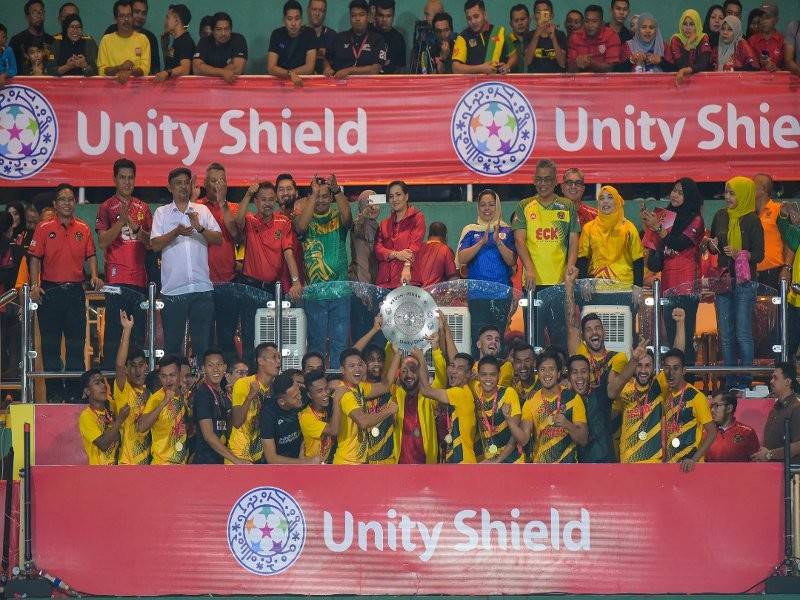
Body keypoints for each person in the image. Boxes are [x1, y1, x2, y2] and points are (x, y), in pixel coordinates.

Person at [29, 183, 102, 404]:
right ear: (55, 204)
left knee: (76, 346)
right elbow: (34, 257)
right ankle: (54, 394)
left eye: (71, 199)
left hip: (75, 293)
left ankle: (73, 394)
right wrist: (34, 284)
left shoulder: (83, 228)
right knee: (50, 347)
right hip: (50, 291)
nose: (67, 203)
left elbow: (91, 255)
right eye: (62, 199)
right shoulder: (43, 228)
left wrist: (95, 275)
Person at [150, 168, 221, 361]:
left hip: (202, 288)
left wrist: (199, 227)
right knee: (172, 348)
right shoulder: (162, 213)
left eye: (186, 182)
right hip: (173, 291)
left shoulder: (201, 210)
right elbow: (154, 244)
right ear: (169, 187)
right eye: (178, 183)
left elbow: (218, 238)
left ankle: (201, 389)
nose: (183, 186)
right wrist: (176, 232)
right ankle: (174, 390)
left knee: (203, 348)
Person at [513, 159, 579, 348]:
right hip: (533, 284)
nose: (543, 184)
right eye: (540, 179)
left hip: (559, 283)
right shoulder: (524, 205)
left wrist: (570, 267)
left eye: (548, 180)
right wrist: (530, 270)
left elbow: (573, 240)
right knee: (533, 338)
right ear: (534, 180)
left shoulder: (567, 206)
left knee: (560, 336)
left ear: (556, 181)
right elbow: (519, 241)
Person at [235, 183, 302, 363]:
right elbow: (237, 221)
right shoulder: (250, 221)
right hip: (250, 287)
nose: (267, 203)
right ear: (256, 201)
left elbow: (288, 252)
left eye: (271, 199)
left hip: (273, 289)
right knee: (249, 336)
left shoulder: (283, 222)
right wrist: (248, 194)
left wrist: (296, 281)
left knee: (271, 337)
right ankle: (251, 376)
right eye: (263, 199)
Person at [641, 178, 705, 365]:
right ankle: (674, 382)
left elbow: (679, 243)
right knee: (670, 337)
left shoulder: (696, 220)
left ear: (690, 196)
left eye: (680, 192)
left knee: (684, 335)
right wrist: (649, 228)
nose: (674, 195)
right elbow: (654, 265)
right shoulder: (665, 216)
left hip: (687, 287)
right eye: (673, 191)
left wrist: (658, 228)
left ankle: (689, 380)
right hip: (668, 287)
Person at [708, 176, 764, 390]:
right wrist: (713, 246)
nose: (728, 197)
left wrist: (741, 254)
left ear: (744, 195)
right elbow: (714, 245)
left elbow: (759, 254)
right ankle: (730, 382)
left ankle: (746, 382)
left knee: (742, 333)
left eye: (733, 193)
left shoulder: (752, 220)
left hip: (744, 283)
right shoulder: (720, 216)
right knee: (726, 335)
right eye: (726, 192)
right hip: (723, 280)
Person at [96, 158, 152, 370]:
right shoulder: (106, 207)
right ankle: (111, 382)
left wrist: (137, 229)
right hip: (114, 282)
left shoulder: (143, 208)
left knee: (137, 337)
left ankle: (137, 385)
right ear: (114, 179)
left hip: (139, 280)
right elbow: (102, 242)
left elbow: (150, 244)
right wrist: (121, 221)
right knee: (113, 334)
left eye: (130, 178)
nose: (127, 182)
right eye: (122, 178)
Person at [296, 175, 351, 369]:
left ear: (331, 198)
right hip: (315, 294)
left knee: (340, 344)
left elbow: (348, 218)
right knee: (316, 343)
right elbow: (300, 228)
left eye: (325, 196)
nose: (321, 200)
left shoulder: (337, 216)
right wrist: (313, 194)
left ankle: (337, 382)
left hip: (340, 292)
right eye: (318, 196)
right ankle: (315, 380)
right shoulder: (304, 219)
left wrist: (336, 191)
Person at [457, 189, 516, 349]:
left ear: (497, 206)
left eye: (491, 204)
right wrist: (481, 242)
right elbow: (461, 258)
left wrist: (497, 241)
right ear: (478, 208)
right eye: (483, 205)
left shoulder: (507, 230)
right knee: (478, 338)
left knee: (499, 338)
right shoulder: (470, 230)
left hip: (501, 295)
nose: (487, 208)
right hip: (477, 295)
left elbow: (511, 260)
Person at [195, 164, 240, 365]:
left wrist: (222, 203)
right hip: (201, 283)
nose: (217, 184)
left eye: (221, 180)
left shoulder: (234, 208)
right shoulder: (196, 207)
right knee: (202, 338)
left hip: (227, 282)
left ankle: (229, 385)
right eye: (213, 180)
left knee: (226, 337)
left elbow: (236, 234)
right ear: (205, 184)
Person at [333, 347, 400, 465]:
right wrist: (388, 411)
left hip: (358, 463)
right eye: (351, 366)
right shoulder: (345, 394)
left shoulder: (359, 387)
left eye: (359, 365)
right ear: (342, 370)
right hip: (346, 464)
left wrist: (398, 354)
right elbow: (363, 421)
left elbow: (386, 386)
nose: (357, 369)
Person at [565, 268, 629, 392]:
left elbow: (611, 390)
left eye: (597, 328)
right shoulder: (580, 353)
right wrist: (569, 285)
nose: (594, 332)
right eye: (588, 330)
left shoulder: (618, 357)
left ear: (604, 332)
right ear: (583, 336)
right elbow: (572, 325)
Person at [577, 186, 644, 297]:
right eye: (602, 198)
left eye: (610, 197)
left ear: (617, 201)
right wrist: (584, 282)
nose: (605, 202)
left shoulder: (629, 228)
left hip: (625, 287)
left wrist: (638, 286)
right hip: (596, 287)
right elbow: (582, 258)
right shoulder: (588, 228)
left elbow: (638, 259)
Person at [521, 351, 588, 463]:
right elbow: (524, 439)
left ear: (558, 373)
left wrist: (567, 424)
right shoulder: (530, 401)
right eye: (542, 369)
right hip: (540, 468)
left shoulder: (573, 398)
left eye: (551, 369)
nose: (547, 374)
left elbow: (583, 439)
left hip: (568, 469)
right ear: (538, 374)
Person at [414, 348, 477, 464]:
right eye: (452, 366)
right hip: (457, 463)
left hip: (464, 464)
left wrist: (420, 359)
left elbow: (426, 391)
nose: (453, 371)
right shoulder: (461, 393)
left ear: (469, 374)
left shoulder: (460, 393)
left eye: (460, 368)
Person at [661, 349, 716, 471]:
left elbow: (712, 432)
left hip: (690, 467)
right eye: (667, 368)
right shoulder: (666, 395)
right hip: (671, 465)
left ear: (684, 371)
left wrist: (693, 459)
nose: (670, 373)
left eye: (675, 368)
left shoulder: (696, 397)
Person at [228, 342, 279, 464]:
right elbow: (237, 422)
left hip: (260, 458)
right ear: (260, 361)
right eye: (274, 357)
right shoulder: (244, 383)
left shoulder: (275, 389)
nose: (278, 362)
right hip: (239, 457)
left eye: (279, 357)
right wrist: (250, 396)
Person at [192, 348, 244, 464]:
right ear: (203, 369)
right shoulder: (203, 395)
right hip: (205, 464)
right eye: (210, 365)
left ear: (225, 367)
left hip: (219, 462)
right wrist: (237, 461)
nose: (216, 369)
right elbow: (209, 436)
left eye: (219, 364)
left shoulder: (222, 394)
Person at [112, 311, 151, 465]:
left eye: (141, 365)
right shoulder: (124, 390)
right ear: (127, 369)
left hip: (149, 462)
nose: (137, 370)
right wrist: (127, 329)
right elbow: (119, 364)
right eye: (133, 366)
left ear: (146, 366)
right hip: (127, 463)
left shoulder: (150, 393)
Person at [472, 356, 526, 463]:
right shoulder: (475, 390)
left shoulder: (508, 393)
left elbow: (514, 437)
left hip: (512, 460)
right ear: (478, 375)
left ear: (499, 375)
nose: (488, 379)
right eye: (484, 374)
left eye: (492, 374)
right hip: (488, 461)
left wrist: (497, 461)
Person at [135, 355, 187, 465]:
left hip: (182, 466)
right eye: (164, 376)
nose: (168, 380)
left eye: (172, 375)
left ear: (180, 374)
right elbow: (141, 427)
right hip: (161, 466)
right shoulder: (157, 399)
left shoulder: (183, 395)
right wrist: (164, 402)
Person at [390, 351, 440, 464]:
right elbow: (387, 378)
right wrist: (393, 345)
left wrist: (432, 352)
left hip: (427, 469)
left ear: (420, 372)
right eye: (404, 371)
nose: (408, 375)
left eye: (413, 370)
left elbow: (441, 376)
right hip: (399, 469)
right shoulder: (394, 395)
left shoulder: (429, 396)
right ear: (398, 373)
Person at [374, 181, 425, 290]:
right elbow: (378, 250)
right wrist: (395, 254)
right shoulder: (384, 223)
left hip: (408, 279)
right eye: (391, 196)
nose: (394, 199)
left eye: (398, 195)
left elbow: (415, 245)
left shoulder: (417, 218)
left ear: (406, 196)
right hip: (384, 283)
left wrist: (407, 266)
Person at [260, 372, 320, 464]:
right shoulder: (268, 414)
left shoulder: (304, 396)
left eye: (299, 391)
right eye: (295, 396)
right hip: (279, 465)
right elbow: (272, 458)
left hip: (301, 454)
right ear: (282, 401)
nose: (300, 397)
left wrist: (302, 450)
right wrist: (304, 463)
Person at [452, 0, 517, 75]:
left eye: (476, 16)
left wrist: (507, 66)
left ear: (485, 14)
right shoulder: (462, 38)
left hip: (498, 84)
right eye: (469, 18)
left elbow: (514, 56)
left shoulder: (500, 32)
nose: (473, 21)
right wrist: (481, 68)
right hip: (474, 85)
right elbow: (455, 68)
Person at [324, 0, 386, 79]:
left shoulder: (377, 39)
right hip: (341, 86)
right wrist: (327, 68)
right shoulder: (339, 38)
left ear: (368, 17)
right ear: (350, 18)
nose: (357, 19)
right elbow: (326, 59)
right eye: (353, 15)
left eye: (361, 15)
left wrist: (349, 70)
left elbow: (375, 69)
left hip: (367, 86)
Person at [349, 190, 380, 342]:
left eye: (375, 203)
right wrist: (362, 217)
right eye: (368, 204)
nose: (372, 207)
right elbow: (358, 227)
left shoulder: (379, 227)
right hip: (360, 289)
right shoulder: (358, 224)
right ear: (361, 207)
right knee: (361, 334)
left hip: (375, 291)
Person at [752, 363, 800, 462]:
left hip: (787, 473)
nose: (771, 381)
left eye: (775, 378)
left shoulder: (796, 409)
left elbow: (798, 445)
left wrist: (769, 455)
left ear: (787, 382)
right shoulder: (775, 408)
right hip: (773, 471)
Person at [79, 369, 126, 465]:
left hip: (118, 469)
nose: (103, 385)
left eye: (102, 381)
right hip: (99, 473)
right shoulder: (86, 416)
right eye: (97, 383)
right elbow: (103, 444)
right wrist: (120, 419)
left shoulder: (112, 405)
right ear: (87, 391)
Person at [97, 0, 152, 83]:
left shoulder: (143, 39)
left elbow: (145, 69)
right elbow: (102, 70)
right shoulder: (106, 40)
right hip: (111, 91)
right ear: (115, 19)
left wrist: (130, 72)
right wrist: (120, 67)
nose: (126, 19)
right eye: (122, 16)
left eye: (129, 15)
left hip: (136, 92)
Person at [101, 0, 161, 72]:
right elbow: (102, 69)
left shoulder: (150, 37)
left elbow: (155, 69)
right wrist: (120, 68)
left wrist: (133, 72)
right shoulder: (111, 31)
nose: (140, 16)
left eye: (144, 13)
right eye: (136, 12)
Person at [268, 0, 317, 87]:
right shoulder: (276, 34)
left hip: (303, 83)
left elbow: (309, 67)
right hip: (281, 84)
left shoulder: (310, 33)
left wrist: (291, 73)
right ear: (284, 20)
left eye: (297, 19)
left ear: (301, 19)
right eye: (289, 19)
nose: (293, 23)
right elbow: (271, 68)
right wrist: (290, 74)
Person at [752, 174, 787, 291]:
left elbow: (790, 243)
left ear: (763, 189)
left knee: (773, 309)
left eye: (753, 186)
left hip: (773, 273)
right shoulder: (748, 214)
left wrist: (787, 268)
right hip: (751, 274)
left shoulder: (779, 210)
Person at [299, 369, 340, 463]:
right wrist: (337, 400)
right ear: (309, 395)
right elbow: (333, 431)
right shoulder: (306, 417)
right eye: (319, 391)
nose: (325, 393)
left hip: (327, 464)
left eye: (326, 388)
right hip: (313, 468)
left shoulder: (328, 406)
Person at [192, 12, 247, 83]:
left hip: (233, 86)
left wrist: (207, 70)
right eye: (219, 29)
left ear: (231, 29)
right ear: (213, 31)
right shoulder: (204, 41)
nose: (223, 33)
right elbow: (197, 69)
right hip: (208, 88)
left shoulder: (238, 39)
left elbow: (237, 68)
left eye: (227, 29)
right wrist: (222, 73)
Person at [705, 391, 760, 462]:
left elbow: (756, 462)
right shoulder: (706, 432)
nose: (712, 410)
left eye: (716, 406)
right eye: (711, 406)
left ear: (729, 408)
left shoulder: (747, 432)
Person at [567, 4, 621, 72]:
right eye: (587, 21)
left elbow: (610, 69)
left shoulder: (612, 36)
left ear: (602, 23)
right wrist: (577, 63)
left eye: (594, 21)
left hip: (604, 81)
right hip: (581, 80)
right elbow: (570, 70)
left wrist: (590, 63)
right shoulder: (575, 37)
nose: (590, 25)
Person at [665, 9, 712, 82]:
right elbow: (680, 65)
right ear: (681, 24)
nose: (688, 28)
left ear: (697, 25)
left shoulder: (703, 37)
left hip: (700, 81)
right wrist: (688, 45)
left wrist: (686, 70)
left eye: (692, 24)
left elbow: (703, 64)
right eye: (685, 24)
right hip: (681, 80)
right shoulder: (676, 39)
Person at [153, 3, 194, 82]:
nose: (165, 21)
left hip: (180, 92)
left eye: (167, 18)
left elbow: (185, 69)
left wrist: (166, 73)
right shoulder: (177, 41)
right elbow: (170, 66)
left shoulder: (185, 41)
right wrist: (164, 47)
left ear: (176, 21)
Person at [10, 0, 54, 70]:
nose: (38, 15)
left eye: (41, 11)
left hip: (47, 80)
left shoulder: (52, 41)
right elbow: (9, 68)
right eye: (34, 12)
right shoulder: (16, 41)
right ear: (27, 17)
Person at [412, 222, 458, 288]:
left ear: (429, 235)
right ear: (446, 236)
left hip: (414, 294)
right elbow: (453, 278)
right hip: (434, 295)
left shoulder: (417, 249)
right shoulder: (445, 250)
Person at [526, 0, 567, 73]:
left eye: (545, 12)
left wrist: (553, 38)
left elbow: (562, 63)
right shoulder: (529, 35)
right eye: (539, 12)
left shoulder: (560, 35)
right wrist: (536, 35)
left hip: (555, 80)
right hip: (535, 81)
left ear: (552, 15)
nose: (542, 15)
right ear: (534, 16)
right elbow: (527, 61)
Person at [372, 0, 406, 74]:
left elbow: (401, 68)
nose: (384, 20)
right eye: (381, 15)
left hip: (391, 83)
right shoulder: (368, 34)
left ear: (393, 16)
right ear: (375, 15)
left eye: (388, 16)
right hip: (369, 81)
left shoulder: (399, 38)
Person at [749, 1, 784, 71]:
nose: (764, 21)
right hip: (757, 80)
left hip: (777, 81)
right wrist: (759, 63)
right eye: (762, 17)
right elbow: (748, 68)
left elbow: (789, 69)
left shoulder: (783, 40)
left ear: (776, 20)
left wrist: (777, 69)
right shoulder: (752, 40)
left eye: (768, 17)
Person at [307, 0, 336, 74]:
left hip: (326, 82)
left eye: (321, 10)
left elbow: (337, 63)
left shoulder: (333, 36)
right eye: (314, 9)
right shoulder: (299, 34)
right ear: (308, 10)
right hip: (302, 81)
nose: (317, 13)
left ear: (325, 13)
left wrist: (329, 68)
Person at [508, 4, 531, 73]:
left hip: (535, 82)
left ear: (529, 20)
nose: (520, 23)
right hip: (511, 83)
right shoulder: (506, 42)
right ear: (511, 24)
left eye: (523, 19)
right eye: (516, 20)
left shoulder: (536, 38)